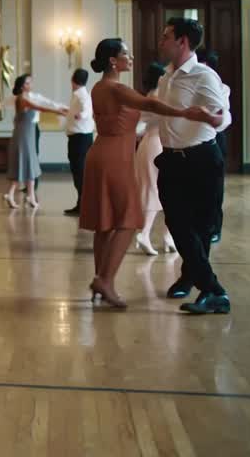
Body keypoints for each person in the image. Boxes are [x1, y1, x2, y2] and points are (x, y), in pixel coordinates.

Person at [79, 39, 220, 307]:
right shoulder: (117, 87)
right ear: (113, 60)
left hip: (102, 153)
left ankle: (102, 279)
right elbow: (151, 106)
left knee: (105, 223)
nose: (130, 57)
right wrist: (186, 113)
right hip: (115, 158)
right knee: (129, 220)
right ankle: (105, 281)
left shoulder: (99, 87)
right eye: (125, 54)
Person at [155, 18, 232, 314]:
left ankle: (209, 289)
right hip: (172, 160)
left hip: (201, 160)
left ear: (182, 41)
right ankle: (199, 280)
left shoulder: (203, 76)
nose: (161, 41)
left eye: (166, 36)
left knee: (198, 228)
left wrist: (212, 119)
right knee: (176, 223)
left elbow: (224, 117)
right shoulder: (166, 77)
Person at [4, 74, 67, 209]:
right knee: (24, 164)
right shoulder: (22, 99)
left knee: (30, 164)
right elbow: (41, 108)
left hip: (29, 134)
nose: (31, 84)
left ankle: (30, 196)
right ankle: (13, 194)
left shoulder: (27, 97)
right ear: (22, 86)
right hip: (23, 135)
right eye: (28, 83)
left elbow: (46, 103)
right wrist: (58, 111)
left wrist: (59, 109)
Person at [134, 63, 174, 256]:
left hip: (148, 144)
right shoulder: (158, 96)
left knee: (161, 191)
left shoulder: (149, 95)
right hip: (158, 144)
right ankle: (145, 233)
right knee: (158, 191)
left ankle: (168, 237)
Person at [195, 47, 229, 244]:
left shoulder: (221, 88)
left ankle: (214, 228)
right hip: (194, 140)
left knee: (215, 188)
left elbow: (220, 115)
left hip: (214, 138)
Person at [63, 69, 95, 216]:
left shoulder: (81, 95)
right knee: (79, 171)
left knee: (80, 172)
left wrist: (80, 115)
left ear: (72, 80)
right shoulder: (80, 94)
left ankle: (83, 205)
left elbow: (87, 110)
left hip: (80, 138)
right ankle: (81, 204)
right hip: (80, 137)